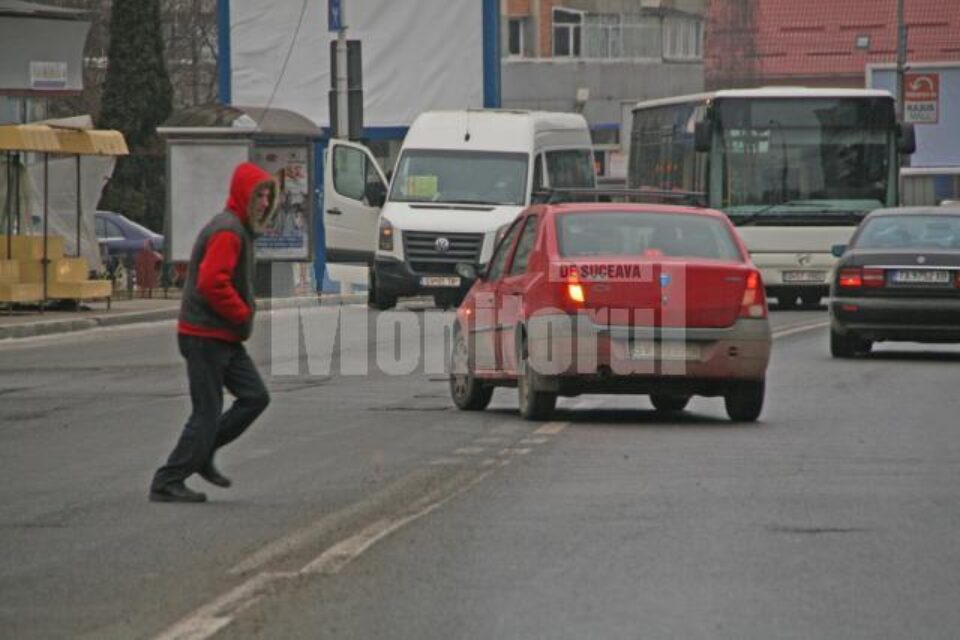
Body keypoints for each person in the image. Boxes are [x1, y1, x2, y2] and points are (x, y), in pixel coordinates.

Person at [149, 162, 277, 503]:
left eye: (267, 195)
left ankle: (201, 452)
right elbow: (211, 282)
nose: (264, 202)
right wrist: (241, 313)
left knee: (255, 397)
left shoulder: (239, 229)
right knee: (206, 412)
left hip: (224, 337)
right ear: (243, 196)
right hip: (205, 336)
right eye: (258, 195)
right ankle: (167, 480)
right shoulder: (228, 231)